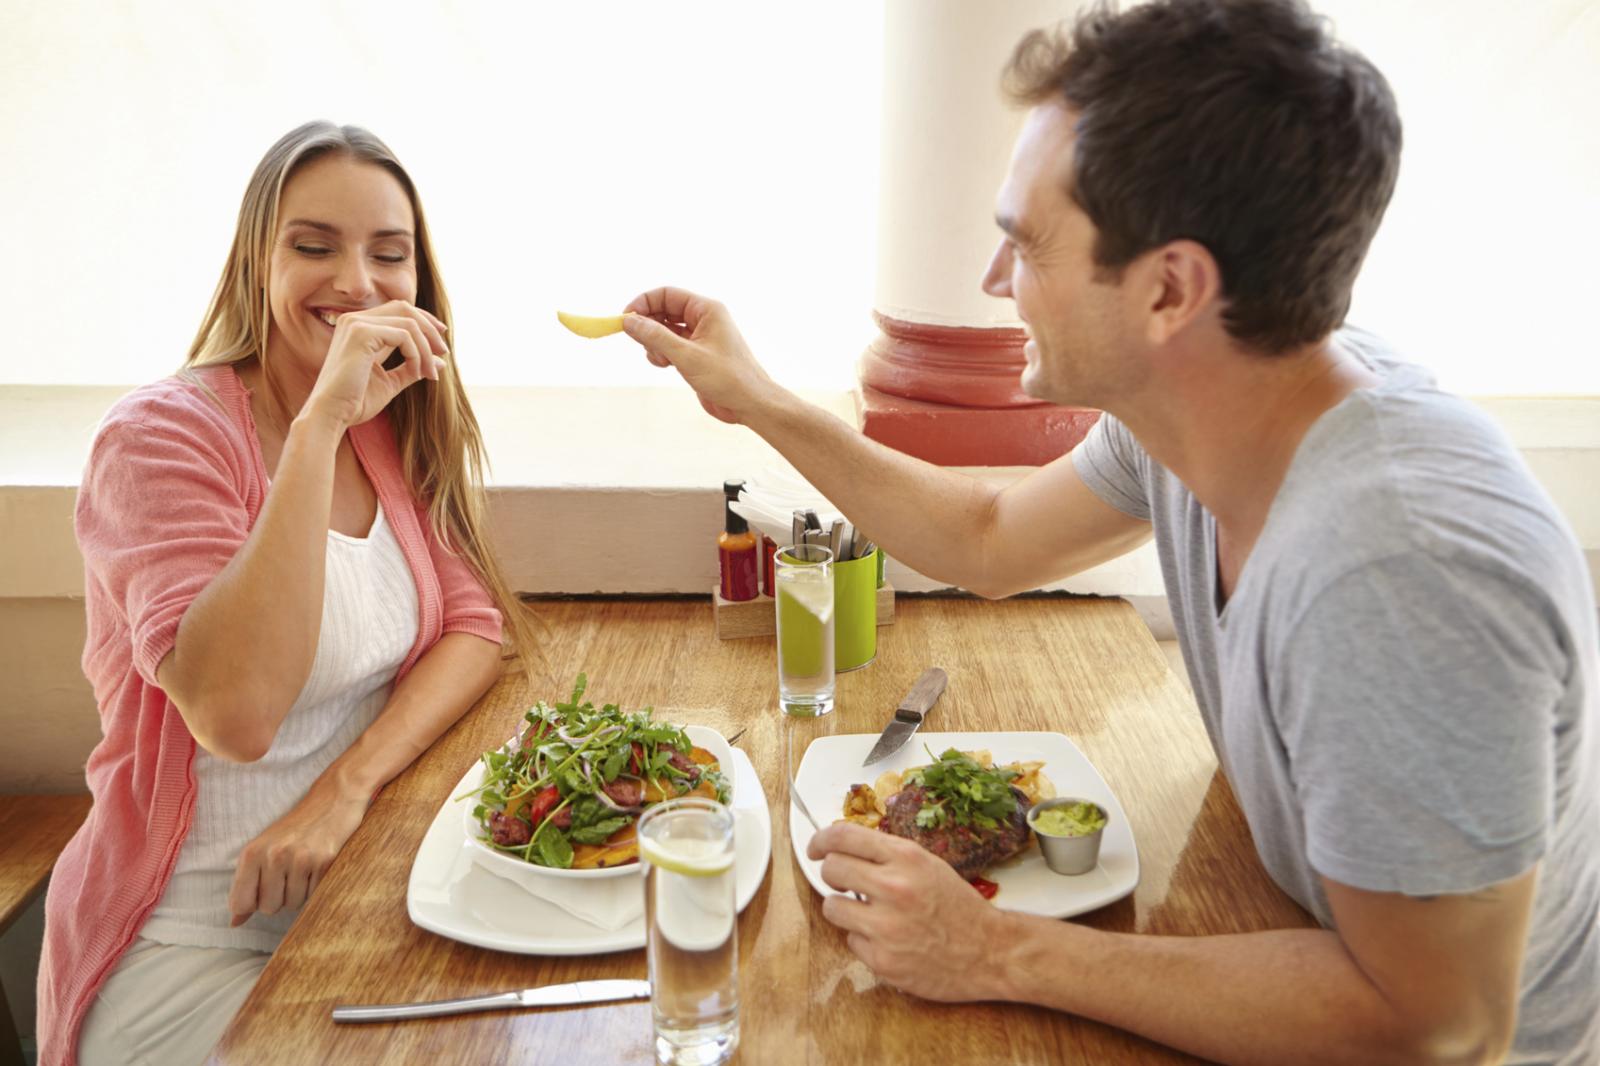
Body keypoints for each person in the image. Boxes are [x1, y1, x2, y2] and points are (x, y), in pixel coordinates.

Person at [618, 1, 1598, 1062]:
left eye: (1025, 244)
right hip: (1286, 931)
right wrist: (758, 400)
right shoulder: (1209, 401)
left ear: (1170, 289)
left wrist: (993, 949)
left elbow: (1437, 1024)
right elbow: (988, 537)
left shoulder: (1404, 571)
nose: (995, 281)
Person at [36, 121, 538, 1066]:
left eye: (388, 253)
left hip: (351, 908)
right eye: (314, 247)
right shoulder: (158, 437)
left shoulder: (388, 427)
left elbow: (475, 625)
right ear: (254, 262)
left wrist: (345, 789)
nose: (357, 283)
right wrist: (317, 429)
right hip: (189, 943)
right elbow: (238, 715)